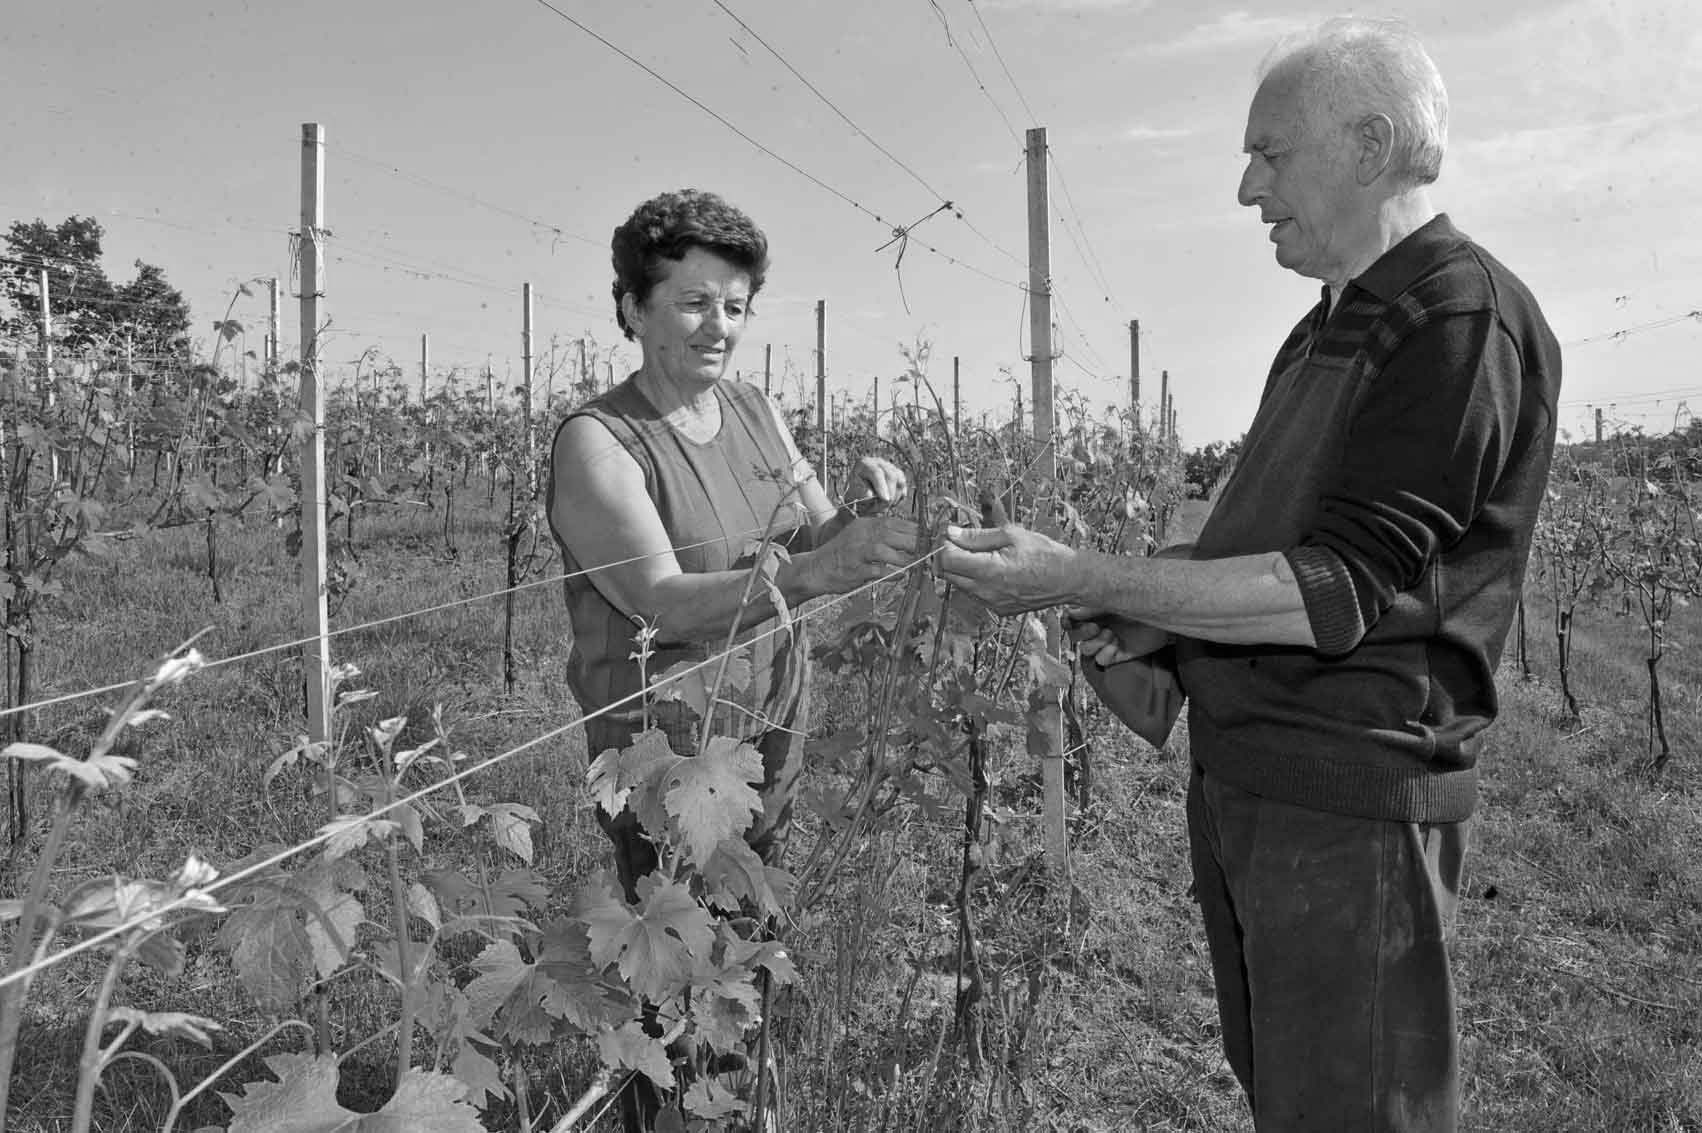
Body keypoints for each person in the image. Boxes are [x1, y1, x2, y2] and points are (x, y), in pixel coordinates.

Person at [938, 18, 1560, 1132]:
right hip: (1258, 782)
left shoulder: (1452, 317)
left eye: (1269, 152)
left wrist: (1084, 573)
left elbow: (1332, 591)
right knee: (1292, 1092)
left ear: (1369, 145)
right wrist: (1145, 619)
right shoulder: (1327, 324)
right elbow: (1270, 548)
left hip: (1350, 797)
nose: (1243, 187)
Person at [547, 189, 918, 1129]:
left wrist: (861, 513)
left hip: (760, 741)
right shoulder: (600, 443)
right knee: (667, 977)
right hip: (666, 759)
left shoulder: (753, 410)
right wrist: (816, 568)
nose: (720, 326)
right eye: (694, 301)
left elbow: (818, 533)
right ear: (633, 305)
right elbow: (661, 598)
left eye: (737, 306)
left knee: (742, 955)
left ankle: (732, 1104)